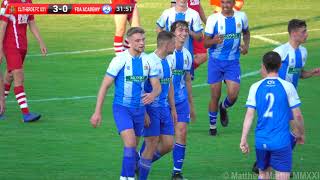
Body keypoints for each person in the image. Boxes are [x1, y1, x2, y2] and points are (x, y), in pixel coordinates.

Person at [90, 27, 161, 180]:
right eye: (137, 40)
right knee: (129, 143)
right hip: (122, 108)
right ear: (128, 42)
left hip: (140, 110)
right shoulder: (119, 60)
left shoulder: (149, 60)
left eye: (143, 39)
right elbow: (104, 86)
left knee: (132, 148)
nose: (142, 43)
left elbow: (157, 86)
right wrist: (97, 112)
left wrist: (153, 95)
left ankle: (127, 175)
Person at [251, 19, 320, 174]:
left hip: (291, 98)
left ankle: (265, 163)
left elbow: (299, 73)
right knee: (290, 130)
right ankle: (272, 164)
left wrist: (312, 73)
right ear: (294, 33)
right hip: (279, 98)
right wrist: (269, 90)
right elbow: (264, 69)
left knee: (293, 131)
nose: (306, 34)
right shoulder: (281, 51)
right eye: (303, 32)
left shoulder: (303, 52)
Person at [240, 51, 305, 180]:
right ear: (280, 65)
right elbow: (297, 116)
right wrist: (301, 133)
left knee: (263, 174)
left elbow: (249, 115)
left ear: (263, 66)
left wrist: (244, 139)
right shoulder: (288, 87)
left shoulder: (255, 87)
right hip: (281, 141)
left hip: (261, 140)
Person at [204, 0, 250, 136]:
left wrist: (246, 46)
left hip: (232, 62)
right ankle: (212, 126)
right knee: (215, 95)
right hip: (215, 62)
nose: (225, 5)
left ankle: (223, 107)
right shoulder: (213, 19)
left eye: (228, 2)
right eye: (223, 2)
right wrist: (214, 41)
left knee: (233, 94)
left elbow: (246, 33)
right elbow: (205, 43)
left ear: (233, 3)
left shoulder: (241, 16)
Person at [137, 31, 177, 180]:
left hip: (164, 108)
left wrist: (172, 108)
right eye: (174, 43)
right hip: (151, 109)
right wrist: (144, 112)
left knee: (168, 144)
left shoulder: (170, 59)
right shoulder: (148, 61)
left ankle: (139, 163)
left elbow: (169, 84)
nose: (176, 46)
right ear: (167, 45)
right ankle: (142, 176)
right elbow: (140, 89)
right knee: (151, 144)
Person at [0, 0, 47, 122]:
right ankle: (26, 114)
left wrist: (40, 41)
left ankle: (0, 109)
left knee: (9, 76)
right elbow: (2, 26)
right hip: (10, 45)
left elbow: (31, 22)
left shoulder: (28, 2)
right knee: (19, 76)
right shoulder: (8, 3)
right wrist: (0, 48)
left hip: (22, 46)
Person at [168, 20, 195, 180]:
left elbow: (187, 80)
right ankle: (141, 160)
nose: (184, 33)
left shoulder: (187, 55)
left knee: (182, 132)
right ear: (172, 33)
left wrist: (191, 104)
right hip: (164, 101)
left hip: (181, 100)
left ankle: (176, 172)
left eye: (186, 31)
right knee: (160, 140)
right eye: (180, 30)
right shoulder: (165, 54)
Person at [157, 0, 203, 79]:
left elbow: (199, 37)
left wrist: (187, 31)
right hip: (168, 55)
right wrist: (163, 45)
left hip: (186, 56)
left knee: (186, 81)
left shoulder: (194, 14)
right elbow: (158, 29)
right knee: (167, 80)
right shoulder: (167, 13)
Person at [170, 0, 207, 73]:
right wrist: (180, 28)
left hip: (196, 29)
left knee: (203, 56)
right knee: (179, 54)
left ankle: (185, 71)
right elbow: (174, 7)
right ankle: (180, 72)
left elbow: (198, 6)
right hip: (184, 29)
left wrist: (207, 22)